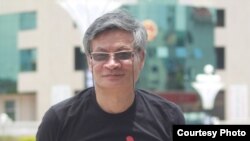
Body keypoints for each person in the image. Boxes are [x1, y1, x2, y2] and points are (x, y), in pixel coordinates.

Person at [36, 9, 185, 141]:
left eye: (123, 54)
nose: (112, 64)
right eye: (101, 56)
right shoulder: (58, 121)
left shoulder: (169, 117)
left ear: (142, 58)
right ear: (90, 61)